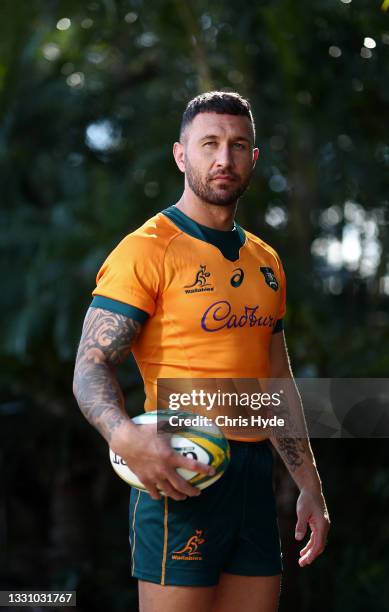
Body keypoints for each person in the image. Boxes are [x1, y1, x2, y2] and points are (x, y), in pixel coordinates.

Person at [73, 91, 330, 612]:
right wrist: (128, 439)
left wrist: (310, 486)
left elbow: (276, 382)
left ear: (253, 159)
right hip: (179, 471)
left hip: (253, 478)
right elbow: (90, 366)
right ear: (180, 155)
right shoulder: (147, 249)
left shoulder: (266, 260)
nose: (223, 159)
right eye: (209, 143)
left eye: (238, 146)